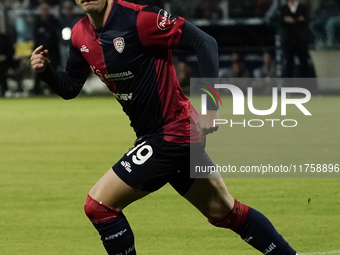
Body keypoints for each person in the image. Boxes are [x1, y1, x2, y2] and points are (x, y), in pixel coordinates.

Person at [30, 0, 299, 255]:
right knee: (224, 212)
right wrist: (46, 73)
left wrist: (210, 107)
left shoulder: (141, 19)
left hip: (173, 133)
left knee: (99, 207)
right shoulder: (79, 35)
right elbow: (70, 88)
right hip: (162, 136)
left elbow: (204, 42)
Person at [280, 0, 315, 78]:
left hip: (301, 39)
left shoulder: (303, 7)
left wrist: (295, 20)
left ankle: (307, 84)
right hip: (288, 39)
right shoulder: (283, 8)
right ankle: (288, 85)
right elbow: (280, 21)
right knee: (289, 63)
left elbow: (306, 19)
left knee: (304, 62)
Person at [32, 2, 61, 95]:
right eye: (43, 9)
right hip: (41, 50)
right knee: (38, 69)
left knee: (53, 70)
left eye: (46, 9)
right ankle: (37, 89)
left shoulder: (53, 20)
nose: (45, 11)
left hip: (53, 50)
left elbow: (57, 35)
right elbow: (35, 37)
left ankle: (53, 89)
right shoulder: (37, 22)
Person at [0, 33, 15, 97]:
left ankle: (5, 90)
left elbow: (11, 51)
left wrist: (4, 57)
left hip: (4, 63)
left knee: (2, 72)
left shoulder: (4, 38)